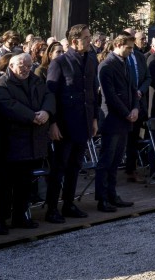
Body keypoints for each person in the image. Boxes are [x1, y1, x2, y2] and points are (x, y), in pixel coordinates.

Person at [0, 52, 54, 234]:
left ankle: (20, 216)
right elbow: (7, 105)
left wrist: (47, 112)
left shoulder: (35, 80)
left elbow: (49, 96)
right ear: (11, 66)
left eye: (28, 65)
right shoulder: (2, 83)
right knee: (5, 184)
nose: (26, 69)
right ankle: (1, 219)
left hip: (32, 141)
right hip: (10, 142)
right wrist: (33, 116)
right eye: (21, 66)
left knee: (25, 182)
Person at [44, 24, 98, 223]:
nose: (89, 40)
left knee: (75, 166)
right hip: (64, 124)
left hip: (83, 122)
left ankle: (68, 203)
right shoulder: (59, 63)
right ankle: (52, 208)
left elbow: (92, 91)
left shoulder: (90, 60)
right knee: (59, 168)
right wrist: (53, 123)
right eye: (86, 37)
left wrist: (94, 119)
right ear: (75, 41)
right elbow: (51, 95)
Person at [96, 34, 139, 211]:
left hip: (125, 118)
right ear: (119, 45)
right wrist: (127, 112)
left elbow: (133, 88)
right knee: (106, 159)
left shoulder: (125, 63)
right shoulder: (106, 66)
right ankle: (102, 197)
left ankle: (112, 194)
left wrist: (135, 108)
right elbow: (110, 95)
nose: (131, 51)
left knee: (116, 160)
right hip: (113, 119)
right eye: (128, 48)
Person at [122, 31, 151, 183]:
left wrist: (141, 90)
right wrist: (132, 92)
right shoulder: (121, 58)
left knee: (134, 139)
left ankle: (131, 169)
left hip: (139, 102)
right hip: (125, 104)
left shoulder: (140, 56)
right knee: (122, 140)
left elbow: (147, 77)